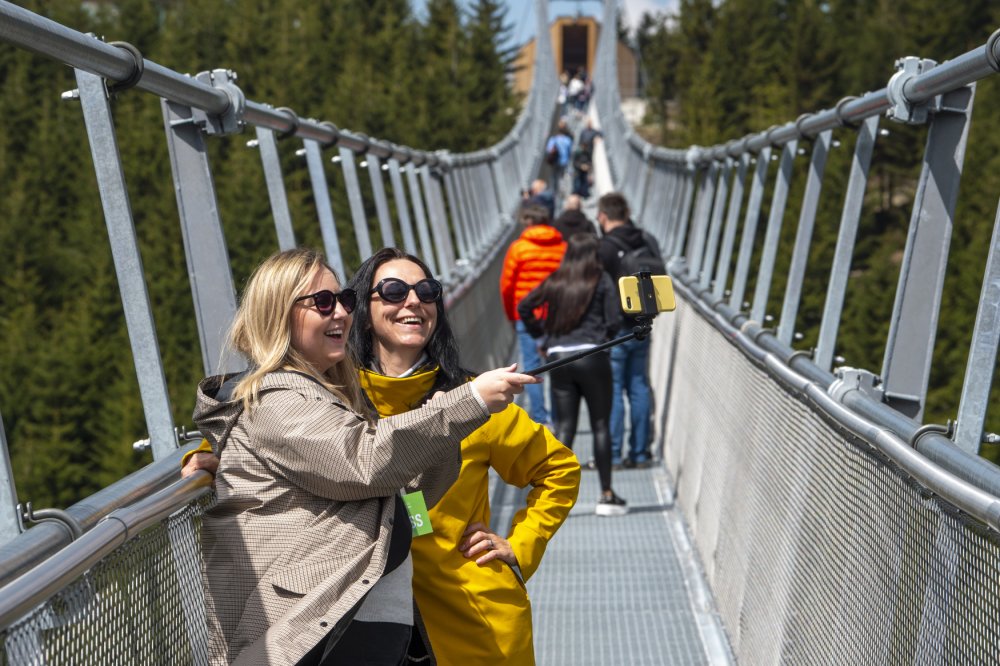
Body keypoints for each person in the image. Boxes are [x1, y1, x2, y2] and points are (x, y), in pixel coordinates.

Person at [189, 248, 537, 665]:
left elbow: (405, 494)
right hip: (317, 622)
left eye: (343, 300)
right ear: (278, 312)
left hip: (369, 617)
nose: (339, 312)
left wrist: (520, 543)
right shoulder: (278, 397)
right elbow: (363, 462)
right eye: (322, 302)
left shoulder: (330, 395)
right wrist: (465, 405)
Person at [346, 247, 581, 664]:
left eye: (427, 291)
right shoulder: (333, 400)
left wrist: (520, 546)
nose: (413, 301)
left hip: (471, 618)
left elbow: (558, 467)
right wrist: (209, 453)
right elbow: (270, 420)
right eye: (395, 291)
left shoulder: (473, 400)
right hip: (362, 624)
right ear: (364, 310)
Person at [517, 235, 626, 516]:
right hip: (593, 355)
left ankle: (549, 495)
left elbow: (524, 306)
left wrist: (542, 335)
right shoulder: (601, 280)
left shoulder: (557, 280)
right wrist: (603, 338)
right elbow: (614, 321)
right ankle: (606, 495)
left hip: (559, 358)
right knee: (601, 424)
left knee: (564, 427)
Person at [595, 192, 654, 469]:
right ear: (627, 213)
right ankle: (641, 453)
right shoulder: (646, 240)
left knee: (614, 390)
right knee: (639, 386)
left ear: (603, 216)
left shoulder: (604, 248)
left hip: (616, 328)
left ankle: (614, 455)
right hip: (642, 324)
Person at [499, 202, 567, 425]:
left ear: (528, 222)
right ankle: (560, 419)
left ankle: (540, 419)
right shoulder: (563, 247)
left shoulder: (519, 248)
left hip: (526, 316)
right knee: (557, 366)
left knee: (532, 369)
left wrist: (512, 316)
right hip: (557, 314)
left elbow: (507, 287)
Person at [544, 119, 573, 196]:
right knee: (561, 176)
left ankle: (553, 193)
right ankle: (561, 191)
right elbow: (570, 152)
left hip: (555, 161)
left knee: (553, 177)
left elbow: (548, 150)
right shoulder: (568, 140)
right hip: (564, 161)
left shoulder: (553, 139)